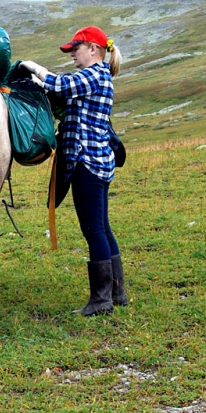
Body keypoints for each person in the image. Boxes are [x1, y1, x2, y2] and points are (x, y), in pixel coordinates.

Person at [21, 26, 128, 316]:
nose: (72, 55)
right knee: (103, 228)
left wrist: (34, 68)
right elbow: (63, 90)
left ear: (93, 49)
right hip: (97, 162)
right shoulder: (97, 76)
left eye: (75, 50)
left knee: (93, 230)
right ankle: (116, 293)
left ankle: (101, 300)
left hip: (87, 163)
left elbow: (61, 86)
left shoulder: (94, 75)